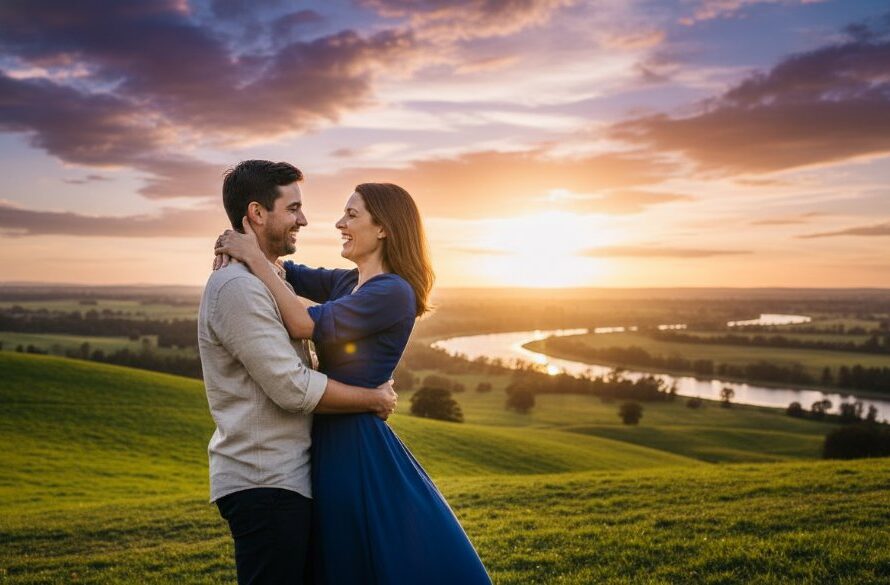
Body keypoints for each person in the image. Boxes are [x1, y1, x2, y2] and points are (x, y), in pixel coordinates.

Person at [214, 179, 491, 584]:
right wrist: (235, 242)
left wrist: (252, 258)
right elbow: (286, 270)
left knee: (362, 555)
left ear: (383, 228)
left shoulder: (394, 291)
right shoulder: (349, 282)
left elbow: (303, 322)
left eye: (351, 215)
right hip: (328, 433)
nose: (339, 223)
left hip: (355, 442)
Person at [198, 160, 398, 585]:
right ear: (256, 213)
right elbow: (292, 388)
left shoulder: (269, 278)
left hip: (286, 478)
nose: (305, 219)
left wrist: (248, 251)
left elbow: (292, 278)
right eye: (293, 208)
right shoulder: (238, 287)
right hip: (263, 481)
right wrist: (376, 398)